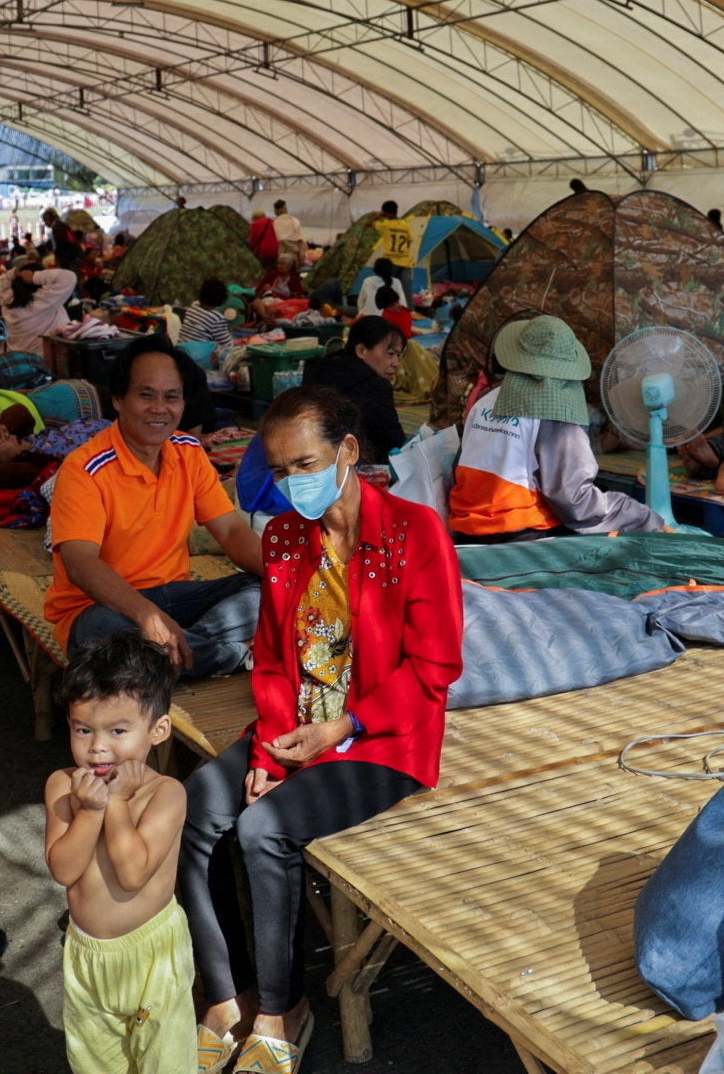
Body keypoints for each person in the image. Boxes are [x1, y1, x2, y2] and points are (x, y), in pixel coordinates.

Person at [185, 387, 463, 1072]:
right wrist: (271, 748)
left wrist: (341, 723)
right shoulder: (282, 536)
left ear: (347, 452)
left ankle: (284, 1009)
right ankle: (229, 994)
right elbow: (276, 659)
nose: (291, 484)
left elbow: (436, 666)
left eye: (304, 464)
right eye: (278, 471)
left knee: (262, 829)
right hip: (299, 726)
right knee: (191, 809)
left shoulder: (414, 531)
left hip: (384, 740)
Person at [46, 337, 264, 676]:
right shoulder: (84, 469)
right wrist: (147, 616)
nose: (159, 408)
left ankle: (172, 654)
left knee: (265, 592)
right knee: (105, 634)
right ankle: (231, 656)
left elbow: (232, 530)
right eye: (146, 395)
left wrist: (291, 577)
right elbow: (80, 564)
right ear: (118, 399)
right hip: (101, 608)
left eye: (171, 397)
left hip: (175, 599)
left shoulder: (189, 452)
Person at [46, 636, 193, 1074]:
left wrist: (114, 804)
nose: (97, 748)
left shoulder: (166, 793)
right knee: (96, 1062)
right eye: (83, 729)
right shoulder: (62, 786)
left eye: (118, 731)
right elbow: (63, 869)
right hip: (87, 955)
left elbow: (132, 873)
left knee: (164, 1060)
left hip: (153, 956)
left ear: (158, 730)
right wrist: (89, 811)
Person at [448, 315, 656, 543]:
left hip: (465, 530)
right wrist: (638, 515)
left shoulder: (485, 400)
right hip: (520, 534)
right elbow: (573, 500)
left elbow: (460, 469)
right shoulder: (554, 412)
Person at [302, 315, 410, 461]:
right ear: (361, 350)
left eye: (398, 355)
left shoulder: (317, 368)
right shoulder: (375, 386)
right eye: (390, 354)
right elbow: (394, 443)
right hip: (352, 468)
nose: (396, 363)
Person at [6, 264, 79, 353]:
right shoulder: (44, 301)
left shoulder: (6, 299)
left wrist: (15, 273)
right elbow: (69, 277)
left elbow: (3, 281)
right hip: (43, 362)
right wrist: (34, 277)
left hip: (15, 360)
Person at [182, 278, 234, 350]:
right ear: (222, 299)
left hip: (180, 350)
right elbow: (227, 345)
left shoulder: (192, 308)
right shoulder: (217, 318)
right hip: (196, 355)